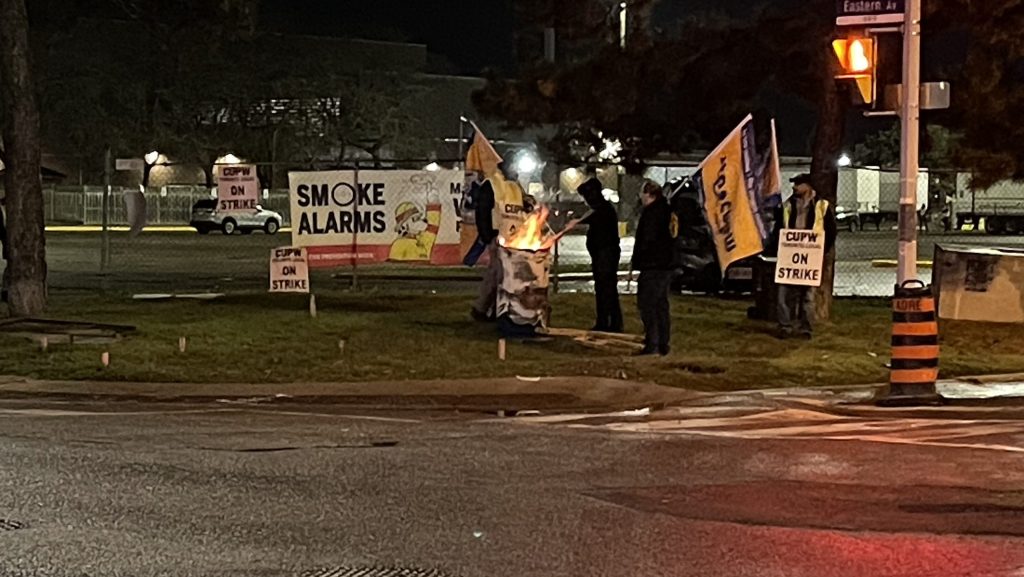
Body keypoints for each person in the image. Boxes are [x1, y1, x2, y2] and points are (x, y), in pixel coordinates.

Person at [773, 174, 837, 339]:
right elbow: (779, 229)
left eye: (798, 184)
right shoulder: (787, 205)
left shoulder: (821, 206)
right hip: (790, 257)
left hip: (811, 259)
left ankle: (805, 328)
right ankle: (785, 327)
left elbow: (830, 231)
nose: (794, 187)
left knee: (807, 295)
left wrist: (820, 251)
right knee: (783, 293)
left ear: (808, 187)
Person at [470, 162, 526, 321]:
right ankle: (482, 309)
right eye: (515, 167)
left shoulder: (515, 187)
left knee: (504, 276)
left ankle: (494, 309)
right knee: (498, 274)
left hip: (514, 239)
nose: (516, 171)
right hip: (497, 236)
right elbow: (482, 211)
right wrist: (487, 236)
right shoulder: (492, 184)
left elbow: (520, 211)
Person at [570, 176, 623, 333]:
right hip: (602, 255)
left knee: (606, 289)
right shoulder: (601, 209)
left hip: (606, 255)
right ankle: (609, 322)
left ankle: (608, 323)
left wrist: (576, 222)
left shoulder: (603, 210)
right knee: (605, 289)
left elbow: (591, 220)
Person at [632, 180, 674, 356]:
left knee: (648, 304)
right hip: (665, 264)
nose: (640, 196)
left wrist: (640, 259)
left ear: (648, 194)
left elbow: (647, 240)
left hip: (653, 265)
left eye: (642, 193)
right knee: (661, 305)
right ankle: (663, 342)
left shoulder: (652, 214)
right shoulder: (667, 210)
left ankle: (653, 343)